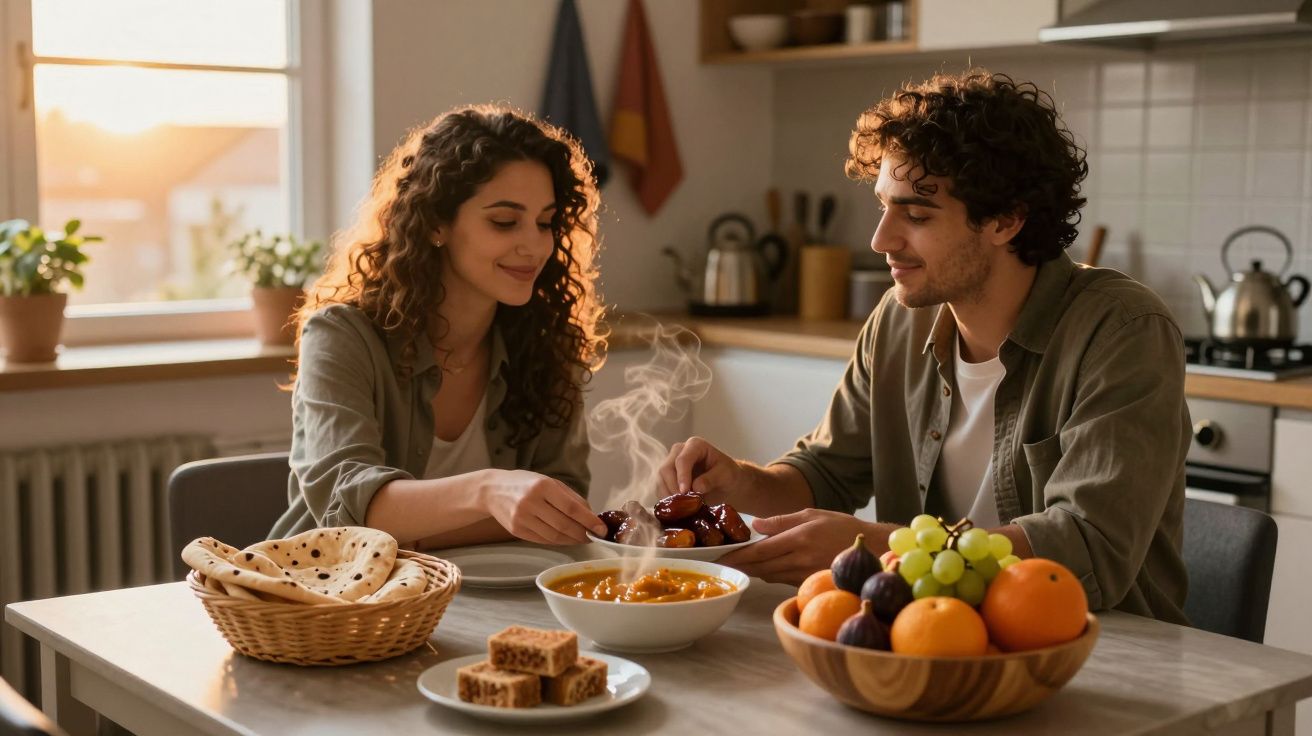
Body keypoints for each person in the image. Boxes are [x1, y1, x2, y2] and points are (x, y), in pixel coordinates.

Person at [659, 70, 1190, 622]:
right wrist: (741, 483)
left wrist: (876, 544)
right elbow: (826, 475)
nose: (881, 239)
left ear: (1006, 220)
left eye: (916, 215)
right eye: (884, 207)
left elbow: (1089, 545)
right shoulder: (898, 319)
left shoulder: (1122, 330)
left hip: (1103, 655)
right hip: (934, 641)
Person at [270, 105, 610, 548]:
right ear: (435, 224)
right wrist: (488, 493)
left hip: (485, 600)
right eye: (504, 222)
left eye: (545, 223)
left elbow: (563, 505)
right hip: (336, 603)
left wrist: (414, 522)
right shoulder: (341, 335)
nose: (535, 245)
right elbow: (349, 502)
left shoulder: (545, 341)